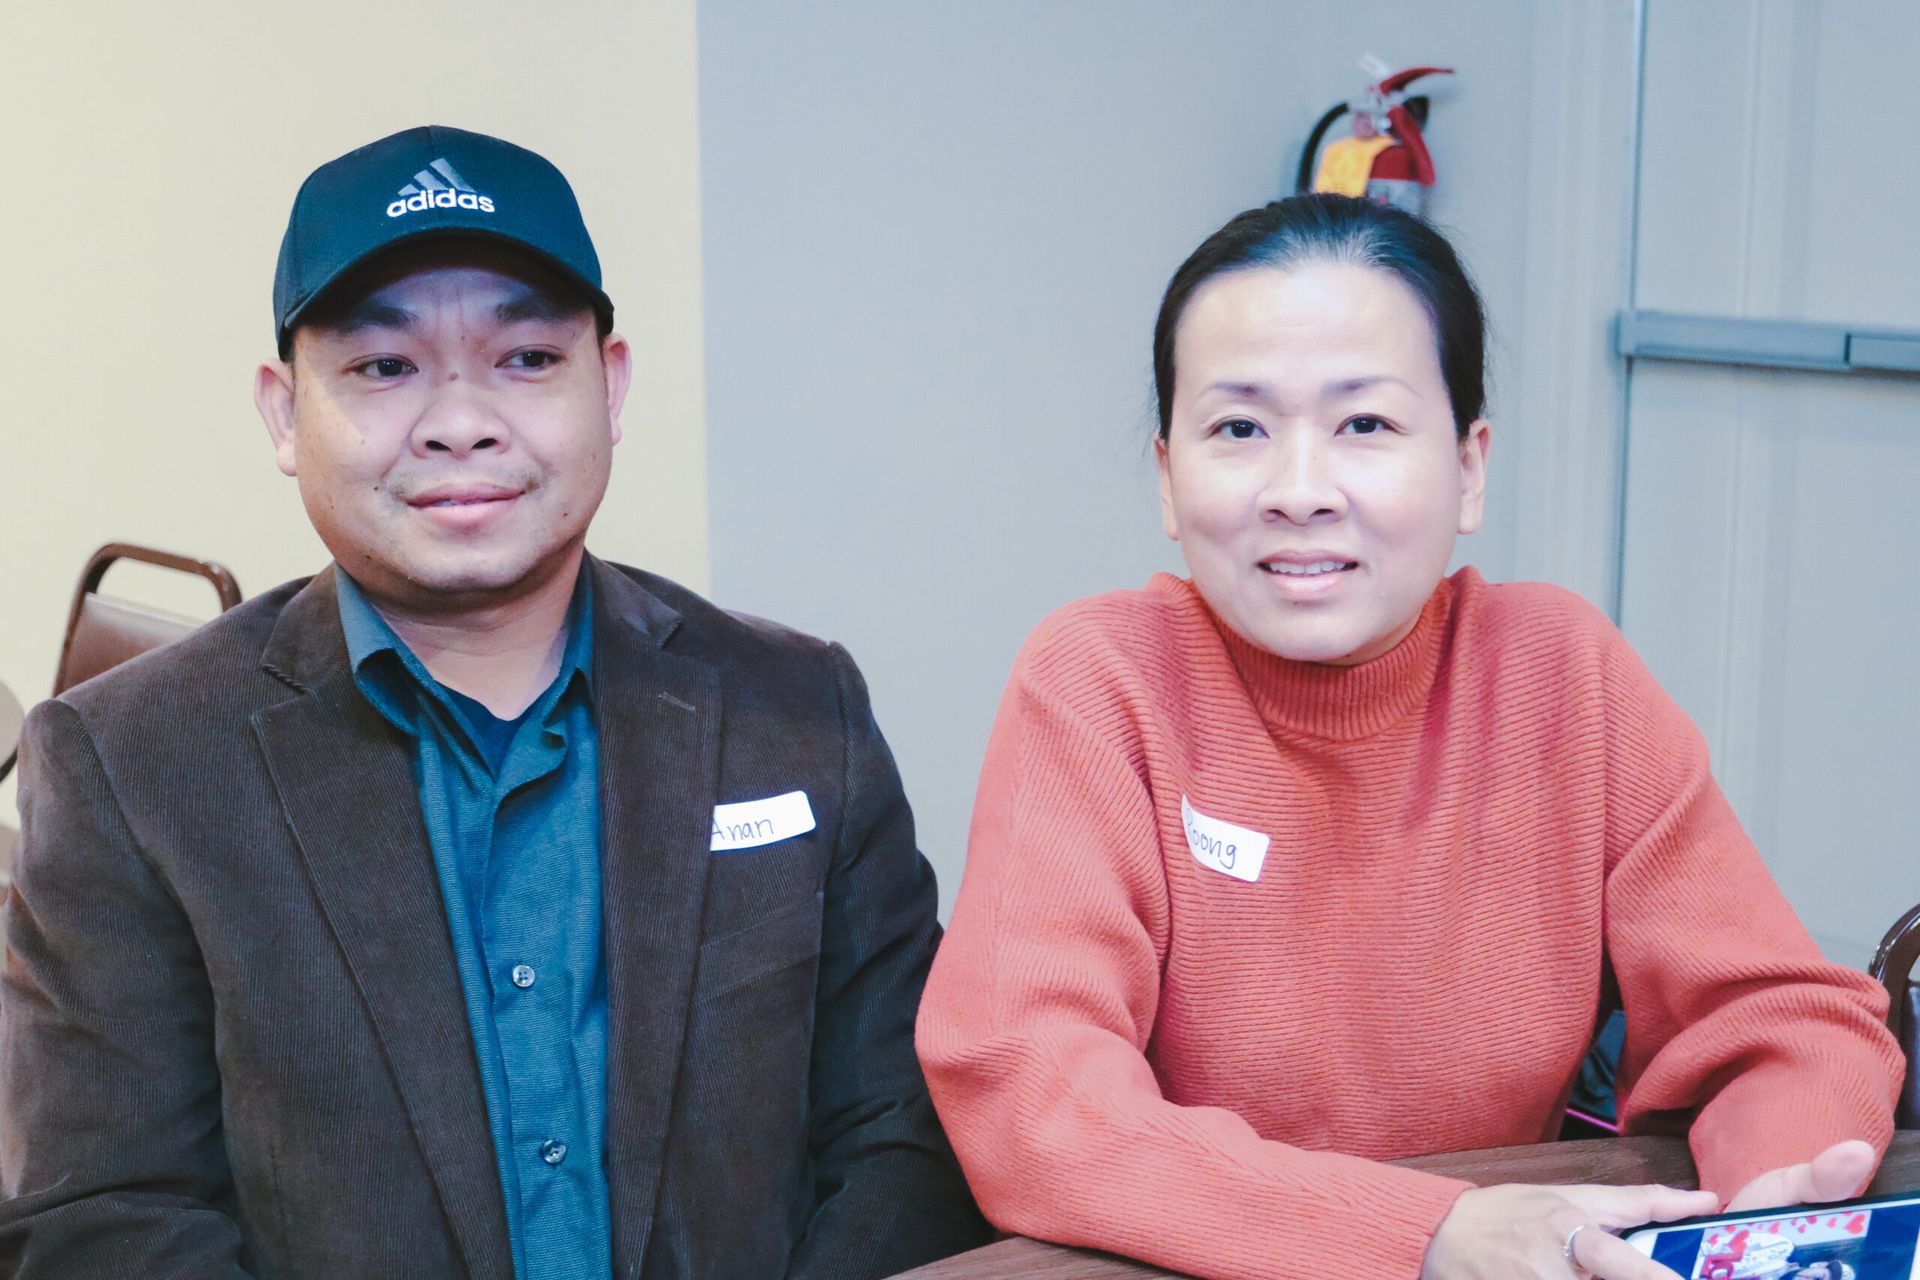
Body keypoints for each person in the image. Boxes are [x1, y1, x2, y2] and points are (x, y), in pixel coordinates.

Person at [0, 125, 985, 1278]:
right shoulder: (133, 765)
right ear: (283, 412)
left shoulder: (798, 708)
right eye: (383, 367)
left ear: (610, 387)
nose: (461, 419)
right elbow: (106, 1215)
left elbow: (901, 1133)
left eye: (525, 358)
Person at [915, 194, 1902, 1280]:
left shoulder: (1559, 670)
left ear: (1470, 465)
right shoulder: (1099, 677)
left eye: (1366, 424)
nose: (1299, 490)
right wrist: (1418, 1232)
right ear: (1165, 473)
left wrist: (1769, 1201)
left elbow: (1781, 1016)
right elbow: (1030, 1089)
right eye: (1239, 427)